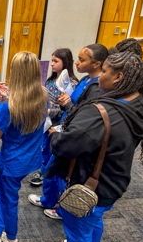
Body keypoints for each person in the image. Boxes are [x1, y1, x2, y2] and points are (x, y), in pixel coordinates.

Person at [48, 50, 143, 242]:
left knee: (78, 235)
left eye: (105, 71)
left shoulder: (100, 114)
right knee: (92, 223)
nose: (100, 76)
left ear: (119, 77)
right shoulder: (138, 102)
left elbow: (64, 146)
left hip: (89, 187)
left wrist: (52, 134)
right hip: (112, 180)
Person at [28, 44, 108, 220]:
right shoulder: (85, 80)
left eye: (82, 60)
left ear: (96, 64)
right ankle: (51, 201)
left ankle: (63, 208)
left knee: (60, 174)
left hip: (72, 134)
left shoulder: (97, 88)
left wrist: (67, 105)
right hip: (64, 127)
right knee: (52, 170)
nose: (77, 63)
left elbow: (85, 116)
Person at [0, 52, 48, 242]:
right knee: (1, 193)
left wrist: (2, 106)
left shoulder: (9, 107)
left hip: (12, 161)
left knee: (8, 197)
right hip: (31, 159)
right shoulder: (43, 96)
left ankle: (10, 238)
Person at [29, 48, 78, 186]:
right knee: (43, 147)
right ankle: (43, 171)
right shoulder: (50, 80)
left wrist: (50, 111)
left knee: (52, 150)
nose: (52, 64)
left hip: (58, 122)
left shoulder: (72, 84)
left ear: (66, 62)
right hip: (46, 120)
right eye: (52, 61)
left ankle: (47, 175)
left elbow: (67, 108)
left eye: (56, 61)